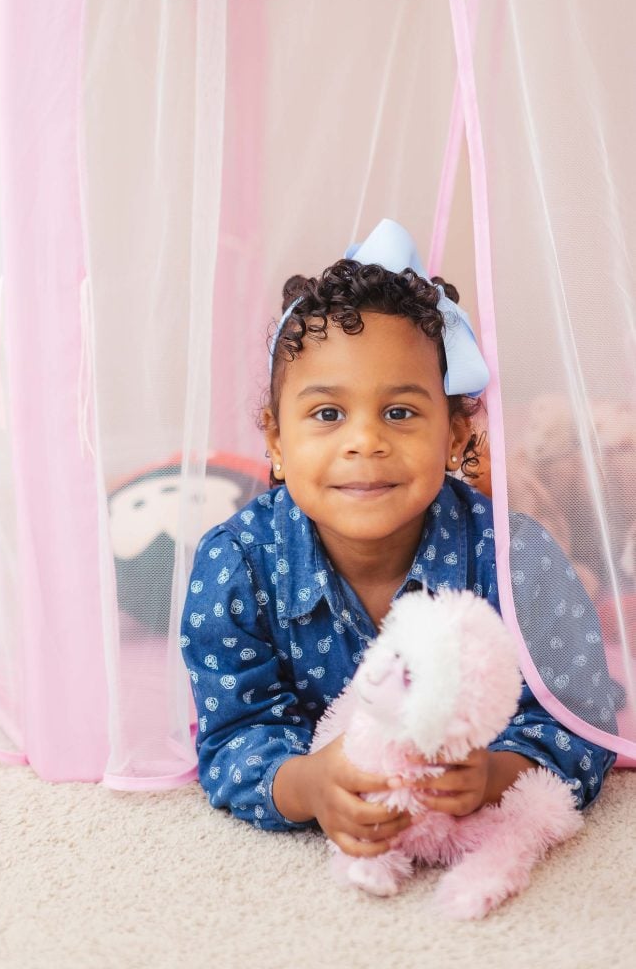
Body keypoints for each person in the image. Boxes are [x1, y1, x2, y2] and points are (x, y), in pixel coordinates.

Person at [180, 218, 617, 857]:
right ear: (275, 441)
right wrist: (308, 784)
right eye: (327, 414)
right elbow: (232, 736)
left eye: (400, 412)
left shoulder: (512, 557)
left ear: (456, 437)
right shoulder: (237, 564)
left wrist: (497, 774)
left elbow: (578, 721)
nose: (365, 440)